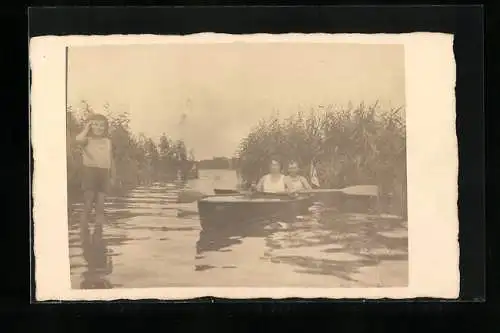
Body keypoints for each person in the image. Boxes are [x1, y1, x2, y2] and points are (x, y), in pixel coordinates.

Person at [75, 113, 116, 226]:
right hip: (90, 172)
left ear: (106, 127)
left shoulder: (108, 141)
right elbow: (77, 140)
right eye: (95, 125)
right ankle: (83, 233)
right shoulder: (87, 139)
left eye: (102, 125)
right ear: (90, 126)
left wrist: (113, 176)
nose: (99, 128)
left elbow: (111, 160)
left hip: (104, 174)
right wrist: (86, 128)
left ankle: (99, 234)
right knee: (88, 203)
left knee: (101, 205)